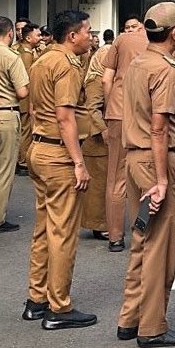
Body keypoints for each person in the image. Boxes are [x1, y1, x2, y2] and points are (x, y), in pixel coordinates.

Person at [118, 1, 175, 348]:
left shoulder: (138, 62)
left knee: (141, 240)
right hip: (156, 162)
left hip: (136, 159)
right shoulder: (166, 70)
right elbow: (160, 128)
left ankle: (130, 318)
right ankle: (152, 326)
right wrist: (163, 181)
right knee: (160, 248)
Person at [23, 9, 97, 330]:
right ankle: (59, 307)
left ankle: (36, 300)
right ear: (72, 36)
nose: (91, 37)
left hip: (39, 149)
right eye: (87, 32)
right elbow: (65, 117)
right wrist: (79, 162)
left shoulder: (41, 60)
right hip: (58, 155)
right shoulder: (66, 66)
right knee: (63, 233)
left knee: (44, 228)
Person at [100, 15, 146, 252]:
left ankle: (115, 236)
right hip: (144, 113)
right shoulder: (154, 41)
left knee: (115, 177)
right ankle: (141, 231)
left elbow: (106, 79)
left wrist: (110, 107)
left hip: (118, 111)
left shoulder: (119, 41)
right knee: (143, 175)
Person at [0, 16, 30, 234]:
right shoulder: (11, 56)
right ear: (10, 33)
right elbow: (22, 91)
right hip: (6, 113)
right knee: (3, 171)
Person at [79, 33, 113, 239]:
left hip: (100, 140)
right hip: (97, 141)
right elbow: (93, 109)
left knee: (103, 185)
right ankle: (99, 225)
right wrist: (105, 131)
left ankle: (102, 222)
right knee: (98, 188)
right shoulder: (95, 81)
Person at [16, 22, 43, 177]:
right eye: (37, 35)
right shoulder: (26, 54)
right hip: (26, 98)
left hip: (28, 97)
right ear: (28, 37)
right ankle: (23, 161)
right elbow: (27, 79)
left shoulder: (30, 51)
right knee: (25, 130)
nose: (40, 38)